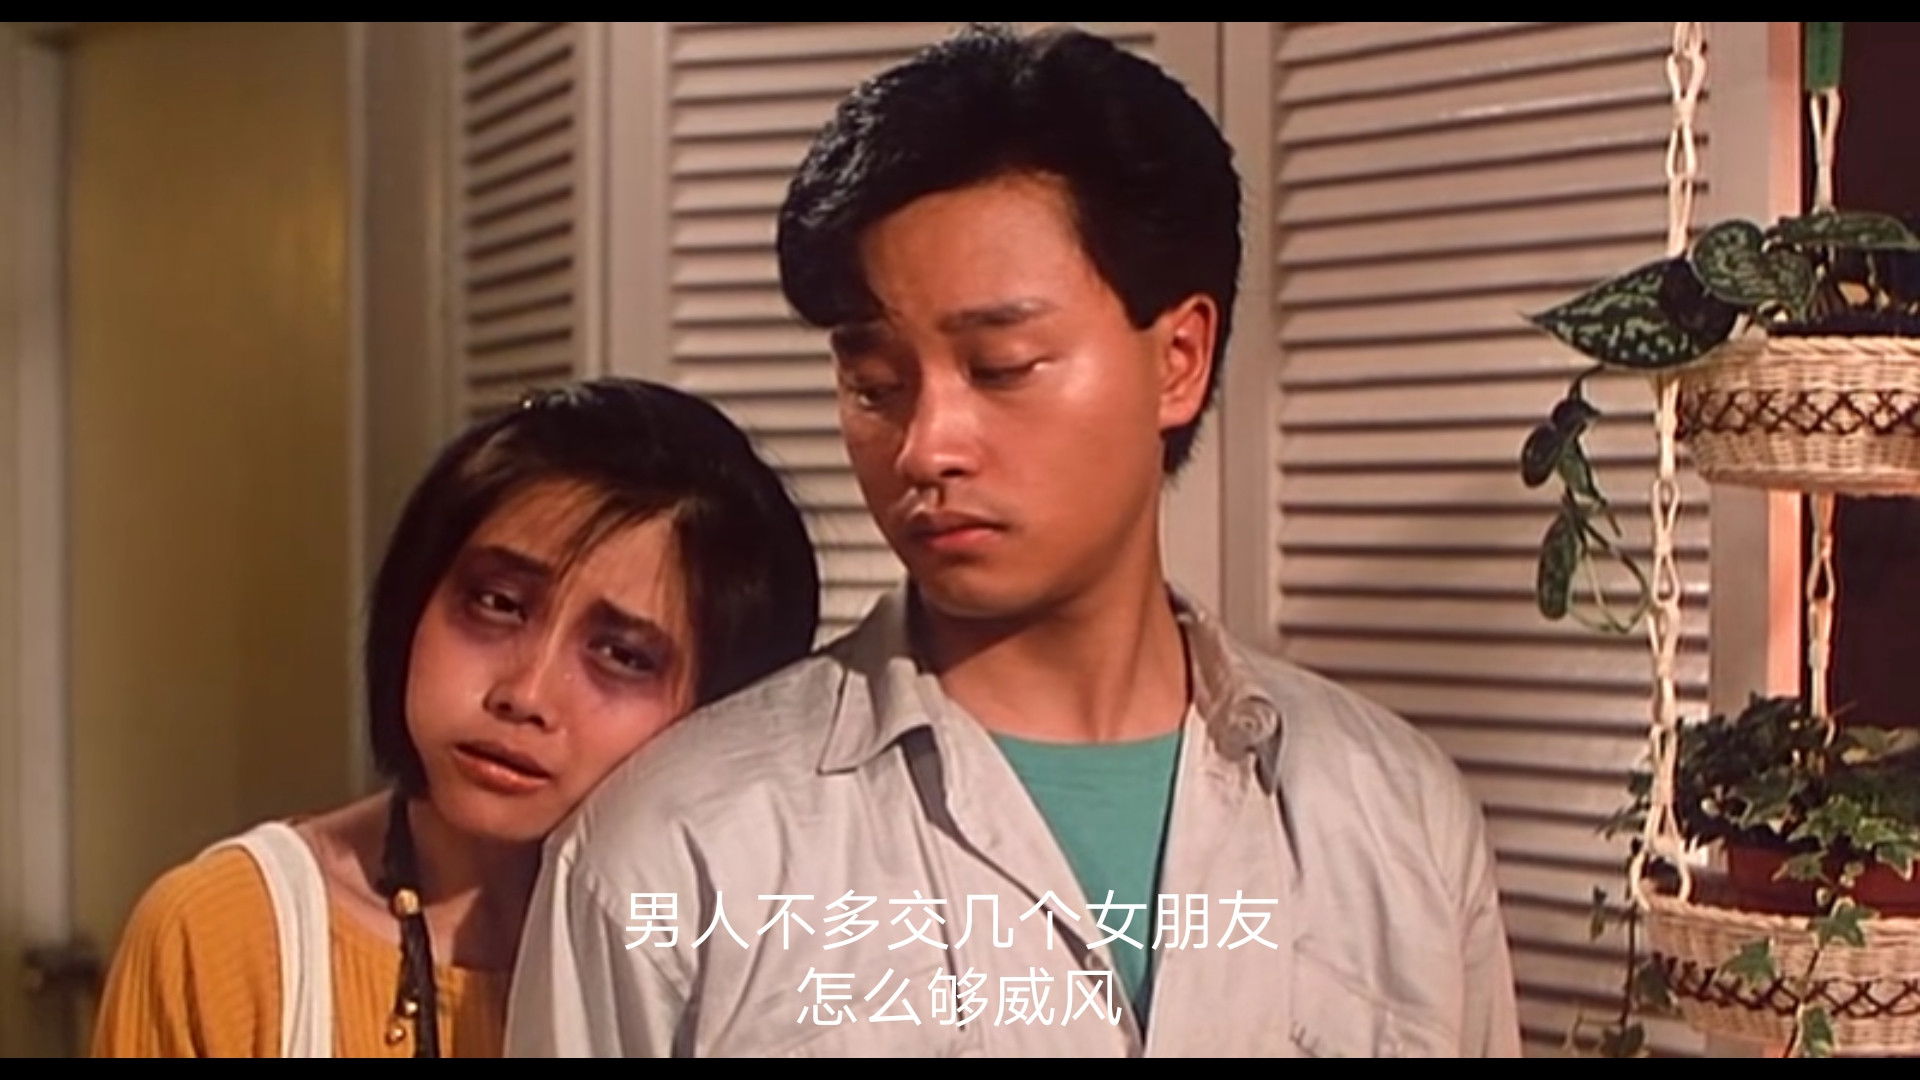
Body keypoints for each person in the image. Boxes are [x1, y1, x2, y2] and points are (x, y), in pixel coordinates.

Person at [506, 24, 1521, 1057]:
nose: (925, 446)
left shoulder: (1398, 819)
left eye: (1000, 367)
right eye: (874, 384)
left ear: (1178, 359)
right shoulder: (680, 851)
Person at [91, 378, 820, 1057]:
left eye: (622, 655)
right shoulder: (225, 935)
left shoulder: (755, 965)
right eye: (497, 604)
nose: (525, 695)